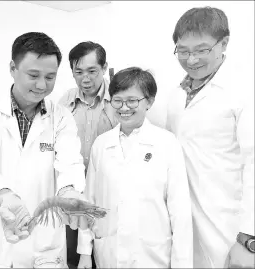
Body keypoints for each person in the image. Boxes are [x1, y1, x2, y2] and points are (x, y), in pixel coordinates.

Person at [0, 32, 90, 268]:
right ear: (13, 68)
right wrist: (5, 196)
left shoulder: (60, 117)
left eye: (50, 77)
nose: (42, 85)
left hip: (44, 245)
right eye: (34, 75)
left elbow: (70, 161)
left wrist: (69, 190)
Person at [77, 67, 193, 268]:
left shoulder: (167, 143)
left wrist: (182, 263)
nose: (124, 107)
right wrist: (85, 252)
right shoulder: (102, 144)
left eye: (132, 101)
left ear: (149, 101)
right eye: (117, 100)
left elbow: (179, 211)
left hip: (152, 255)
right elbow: (89, 202)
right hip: (108, 253)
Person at [166, 6, 255, 268]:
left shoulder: (243, 91)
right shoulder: (176, 95)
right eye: (182, 51)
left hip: (230, 227)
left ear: (224, 43)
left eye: (201, 50)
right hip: (185, 224)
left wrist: (248, 237)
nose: (191, 59)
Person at [58, 41, 117, 268]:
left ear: (104, 68)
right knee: (74, 256)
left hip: (107, 191)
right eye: (78, 72)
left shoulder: (117, 101)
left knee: (104, 253)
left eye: (92, 71)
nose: (85, 79)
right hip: (75, 192)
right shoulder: (65, 103)